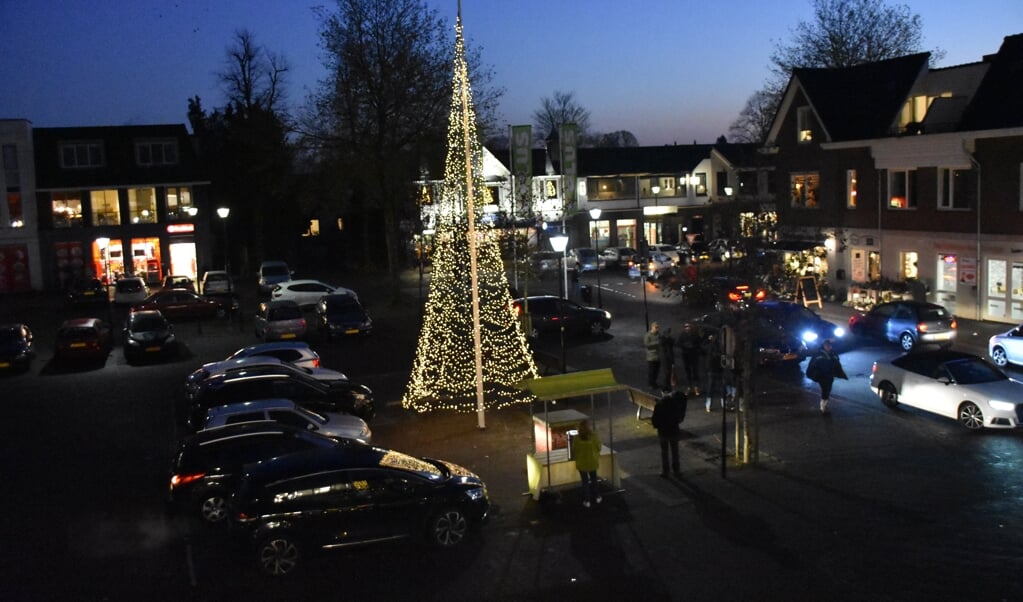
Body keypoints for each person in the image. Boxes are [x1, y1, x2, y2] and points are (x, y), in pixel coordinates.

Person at [806, 339, 847, 413]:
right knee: (825, 389)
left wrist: (840, 372)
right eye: (826, 345)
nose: (828, 347)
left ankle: (825, 402)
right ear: (823, 346)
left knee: (828, 388)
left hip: (830, 375)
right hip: (822, 375)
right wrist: (813, 374)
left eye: (829, 346)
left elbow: (837, 363)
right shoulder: (818, 354)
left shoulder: (833, 353)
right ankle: (823, 406)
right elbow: (812, 365)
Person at [651, 389, 686, 477]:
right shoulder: (675, 404)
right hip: (673, 430)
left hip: (663, 431)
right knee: (675, 451)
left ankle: (665, 471)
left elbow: (654, 419)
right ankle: (676, 471)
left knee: (664, 452)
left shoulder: (659, 404)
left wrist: (657, 426)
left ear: (662, 394)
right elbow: (679, 417)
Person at [571, 420, 602, 507]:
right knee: (594, 480)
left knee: (585, 482)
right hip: (592, 462)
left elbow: (574, 450)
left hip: (582, 463)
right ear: (589, 427)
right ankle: (597, 497)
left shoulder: (577, 438)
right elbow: (599, 447)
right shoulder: (594, 437)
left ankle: (587, 501)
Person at [703, 329, 726, 412]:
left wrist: (708, 340)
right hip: (717, 369)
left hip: (712, 369)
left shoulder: (711, 346)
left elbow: (703, 347)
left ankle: (708, 405)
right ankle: (723, 404)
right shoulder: (719, 345)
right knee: (720, 387)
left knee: (711, 388)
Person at [678, 322, 703, 396]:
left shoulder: (695, 335)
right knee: (688, 372)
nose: (687, 328)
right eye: (686, 326)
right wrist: (684, 345)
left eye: (688, 326)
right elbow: (678, 343)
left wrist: (694, 346)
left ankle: (696, 387)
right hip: (686, 355)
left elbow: (699, 343)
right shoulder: (682, 335)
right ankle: (689, 387)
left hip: (694, 355)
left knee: (695, 371)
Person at [645, 322, 661, 390]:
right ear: (652, 327)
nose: (657, 329)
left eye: (658, 327)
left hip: (658, 356)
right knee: (651, 372)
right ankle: (650, 384)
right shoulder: (648, 335)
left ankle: (654, 383)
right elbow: (647, 345)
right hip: (651, 357)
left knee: (656, 371)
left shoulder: (658, 335)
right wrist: (656, 343)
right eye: (656, 327)